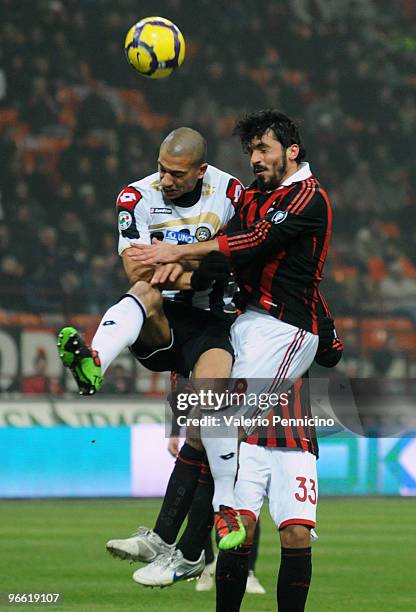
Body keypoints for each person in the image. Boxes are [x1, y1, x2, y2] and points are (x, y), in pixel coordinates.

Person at [126, 109, 333, 547]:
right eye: (251, 150)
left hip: (283, 329)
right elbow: (228, 258)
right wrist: (184, 268)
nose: (255, 158)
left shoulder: (306, 196)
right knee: (206, 423)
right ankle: (163, 541)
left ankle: (190, 549)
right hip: (250, 322)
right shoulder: (256, 195)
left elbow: (253, 242)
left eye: (264, 149)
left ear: (291, 152)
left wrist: (175, 254)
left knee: (222, 425)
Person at [58, 127, 245, 580]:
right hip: (161, 323)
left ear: (201, 170)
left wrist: (180, 266)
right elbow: (136, 267)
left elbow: (238, 260)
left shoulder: (231, 194)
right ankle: (95, 362)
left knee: (209, 417)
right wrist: (198, 270)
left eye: (176, 173)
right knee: (142, 289)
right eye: (161, 168)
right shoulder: (135, 196)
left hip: (214, 326)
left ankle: (181, 542)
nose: (165, 179)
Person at [215, 304, 343, 612]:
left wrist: (326, 339)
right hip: (243, 435)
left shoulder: (305, 294)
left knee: (297, 534)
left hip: (295, 435)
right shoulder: (233, 297)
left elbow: (332, 352)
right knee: (240, 528)